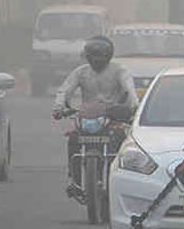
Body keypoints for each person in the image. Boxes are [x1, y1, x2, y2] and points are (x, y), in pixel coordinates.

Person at [51, 35, 138, 193]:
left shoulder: (120, 70)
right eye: (93, 56)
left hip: (112, 118)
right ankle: (75, 181)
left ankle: (120, 180)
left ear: (109, 56)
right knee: (73, 139)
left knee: (120, 141)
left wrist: (134, 107)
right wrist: (59, 107)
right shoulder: (81, 72)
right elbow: (65, 90)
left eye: (101, 56)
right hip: (88, 117)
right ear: (87, 56)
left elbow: (129, 89)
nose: (97, 60)